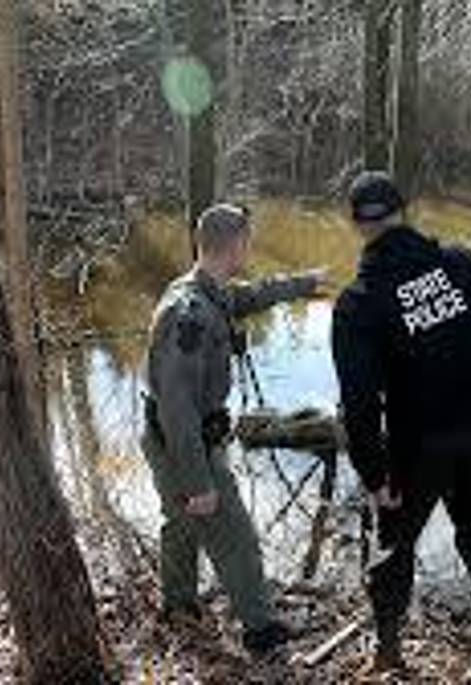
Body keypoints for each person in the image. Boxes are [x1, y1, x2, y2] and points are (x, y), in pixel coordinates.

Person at [332, 172, 471, 682]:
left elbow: (359, 407)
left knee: (395, 548)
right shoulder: (463, 265)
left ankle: (389, 652)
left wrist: (375, 478)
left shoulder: (358, 303)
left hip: (414, 450)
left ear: (357, 225)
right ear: (405, 211)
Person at [140, 203, 326, 655]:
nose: (251, 249)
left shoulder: (207, 290)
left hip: (179, 438)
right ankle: (260, 629)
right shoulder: (189, 313)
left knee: (180, 525)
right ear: (238, 245)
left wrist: (302, 284)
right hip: (183, 442)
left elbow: (250, 297)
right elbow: (177, 406)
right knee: (236, 536)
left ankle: (179, 605)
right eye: (249, 241)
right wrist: (199, 480)